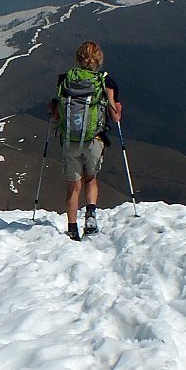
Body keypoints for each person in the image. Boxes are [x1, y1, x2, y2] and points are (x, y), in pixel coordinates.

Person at [48, 40, 122, 240]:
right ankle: (90, 215)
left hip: (70, 140)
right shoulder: (104, 82)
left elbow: (56, 115)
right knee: (90, 178)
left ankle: (72, 229)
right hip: (94, 139)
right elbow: (114, 115)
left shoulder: (66, 80)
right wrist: (118, 110)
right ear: (99, 59)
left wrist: (52, 108)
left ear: (78, 59)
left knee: (73, 185)